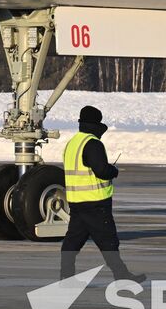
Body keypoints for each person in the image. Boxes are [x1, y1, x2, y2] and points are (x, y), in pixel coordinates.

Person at [60, 105, 145, 282]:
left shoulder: (73, 143)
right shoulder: (92, 143)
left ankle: (66, 278)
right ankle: (121, 276)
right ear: (96, 124)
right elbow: (101, 170)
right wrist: (113, 171)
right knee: (108, 242)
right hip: (95, 203)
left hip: (77, 203)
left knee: (71, 243)